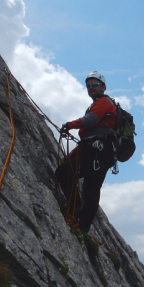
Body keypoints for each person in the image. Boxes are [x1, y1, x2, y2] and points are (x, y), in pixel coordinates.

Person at [55, 71, 116, 233]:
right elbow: (88, 137)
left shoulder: (104, 101)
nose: (91, 87)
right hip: (92, 149)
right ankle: (76, 211)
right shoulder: (97, 104)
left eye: (95, 84)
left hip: (99, 151)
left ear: (103, 87)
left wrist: (69, 125)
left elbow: (89, 122)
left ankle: (83, 224)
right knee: (65, 172)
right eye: (88, 85)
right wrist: (73, 154)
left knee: (91, 187)